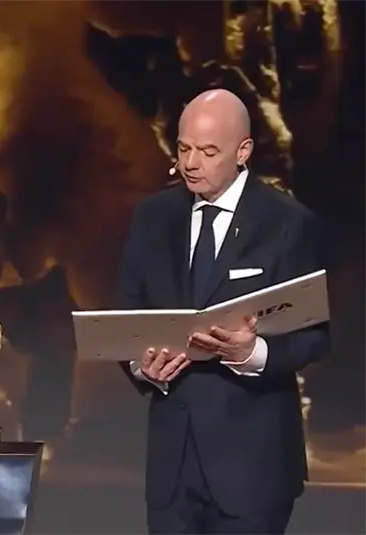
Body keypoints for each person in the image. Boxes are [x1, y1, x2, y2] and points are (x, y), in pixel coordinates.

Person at [117, 88, 329, 535]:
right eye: (184, 148)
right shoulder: (152, 218)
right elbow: (127, 320)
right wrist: (142, 366)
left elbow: (314, 335)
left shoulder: (287, 223)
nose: (192, 163)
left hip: (254, 469)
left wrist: (251, 353)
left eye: (209, 151)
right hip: (172, 470)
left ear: (243, 151)